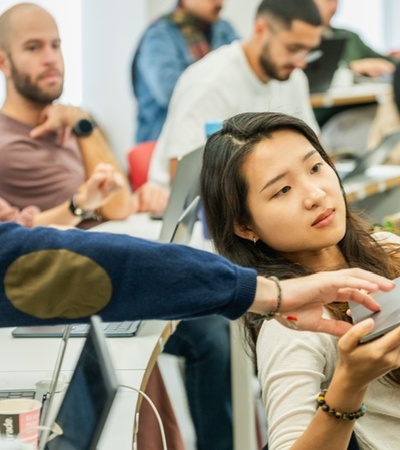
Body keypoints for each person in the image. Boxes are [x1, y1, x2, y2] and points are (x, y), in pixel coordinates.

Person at [200, 110, 400, 450]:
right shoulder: (292, 325)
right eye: (282, 190)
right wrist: (349, 384)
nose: (315, 195)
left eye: (316, 167)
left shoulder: (386, 249)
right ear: (244, 226)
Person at [0, 2, 167, 228]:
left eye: (55, 45)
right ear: (4, 63)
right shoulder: (9, 148)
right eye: (33, 47)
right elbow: (116, 206)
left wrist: (141, 201)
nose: (50, 58)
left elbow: (118, 202)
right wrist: (81, 122)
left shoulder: (63, 122)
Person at [148, 0, 322, 190]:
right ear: (260, 30)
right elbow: (184, 181)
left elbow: (313, 149)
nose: (301, 62)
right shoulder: (209, 83)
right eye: (293, 49)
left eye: (308, 51)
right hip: (190, 210)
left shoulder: (293, 78)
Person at [131, 0, 238, 143]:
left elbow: (243, 74)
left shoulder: (223, 29)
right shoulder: (159, 35)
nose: (220, 3)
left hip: (214, 141)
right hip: (164, 145)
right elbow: (171, 92)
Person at [313, 0, 400, 157]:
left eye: (335, 1)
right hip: (330, 119)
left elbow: (386, 61)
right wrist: (351, 69)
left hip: (367, 111)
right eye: (326, 1)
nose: (333, 7)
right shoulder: (303, 43)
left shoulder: (349, 37)